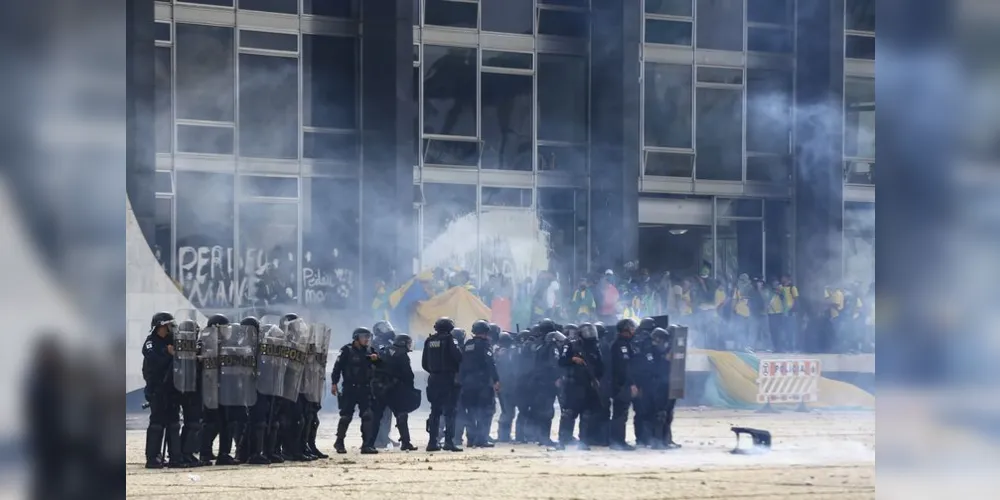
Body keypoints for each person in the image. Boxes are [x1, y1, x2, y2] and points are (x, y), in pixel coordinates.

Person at [330, 327, 381, 454]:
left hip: (365, 389)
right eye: (364, 336)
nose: (367, 339)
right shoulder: (347, 350)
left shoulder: (371, 350)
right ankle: (339, 442)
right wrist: (334, 383)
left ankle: (366, 445)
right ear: (356, 337)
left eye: (368, 336)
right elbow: (337, 367)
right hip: (350, 388)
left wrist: (377, 360)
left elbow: (380, 366)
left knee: (368, 415)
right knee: (346, 416)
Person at [142, 312, 182, 469]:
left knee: (173, 423)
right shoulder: (151, 342)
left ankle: (175, 456)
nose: (170, 328)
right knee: (157, 423)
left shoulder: (171, 340)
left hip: (171, 388)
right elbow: (154, 361)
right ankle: (152, 457)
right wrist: (168, 353)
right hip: (157, 388)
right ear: (160, 326)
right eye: (168, 326)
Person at [556, 323, 603, 450]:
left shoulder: (595, 347)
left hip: (589, 385)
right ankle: (562, 441)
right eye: (587, 332)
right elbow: (561, 361)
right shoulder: (571, 345)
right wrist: (573, 359)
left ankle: (583, 442)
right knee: (569, 414)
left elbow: (600, 366)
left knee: (586, 415)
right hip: (573, 385)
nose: (590, 334)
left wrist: (597, 379)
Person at [369, 334, 419, 451]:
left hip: (380, 388)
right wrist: (409, 388)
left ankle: (369, 443)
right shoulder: (402, 355)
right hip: (395, 389)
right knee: (401, 414)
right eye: (408, 343)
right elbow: (408, 375)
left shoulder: (384, 350)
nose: (409, 345)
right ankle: (406, 443)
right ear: (403, 343)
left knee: (377, 416)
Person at [421, 317, 464, 452]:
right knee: (450, 411)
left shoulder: (429, 340)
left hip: (434, 378)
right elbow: (458, 357)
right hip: (448, 378)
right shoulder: (450, 339)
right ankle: (449, 442)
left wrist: (434, 371)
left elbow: (424, 362)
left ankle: (432, 442)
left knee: (435, 411)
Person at [458, 320, 500, 448]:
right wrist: (496, 380)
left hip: (467, 384)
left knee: (470, 412)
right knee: (485, 412)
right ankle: (481, 439)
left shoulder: (467, 345)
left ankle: (471, 439)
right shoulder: (485, 345)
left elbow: (462, 365)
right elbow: (490, 363)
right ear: (486, 332)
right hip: (482, 384)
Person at [531, 320, 563, 447]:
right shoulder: (551, 345)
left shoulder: (538, 344)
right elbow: (554, 362)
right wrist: (557, 377)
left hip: (538, 381)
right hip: (548, 381)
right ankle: (545, 438)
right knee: (547, 411)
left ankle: (541, 437)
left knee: (541, 410)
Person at [609, 318, 639, 451]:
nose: (633, 330)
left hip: (621, 384)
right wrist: (631, 384)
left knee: (621, 413)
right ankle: (617, 442)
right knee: (620, 414)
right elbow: (624, 368)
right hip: (621, 385)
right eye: (631, 328)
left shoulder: (626, 343)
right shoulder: (621, 345)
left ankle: (618, 440)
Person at [649, 328, 681, 450]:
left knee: (668, 413)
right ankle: (657, 441)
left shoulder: (662, 350)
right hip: (658, 385)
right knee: (660, 414)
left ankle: (665, 440)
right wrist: (664, 358)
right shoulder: (653, 351)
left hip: (667, 383)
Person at [631, 317, 657, 447]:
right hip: (646, 380)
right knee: (646, 411)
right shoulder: (647, 340)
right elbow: (649, 361)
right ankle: (646, 438)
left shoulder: (634, 339)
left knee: (639, 412)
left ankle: (641, 438)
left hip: (636, 380)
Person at [371, 321, 397, 449]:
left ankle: (384, 436)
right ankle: (378, 439)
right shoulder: (376, 343)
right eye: (385, 328)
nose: (389, 330)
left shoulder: (389, 343)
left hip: (388, 381)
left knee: (388, 412)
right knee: (380, 412)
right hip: (379, 381)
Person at [493, 332, 519, 443]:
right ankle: (503, 436)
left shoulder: (498, 352)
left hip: (505, 385)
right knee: (507, 412)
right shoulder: (502, 353)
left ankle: (504, 435)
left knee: (508, 412)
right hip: (505, 386)